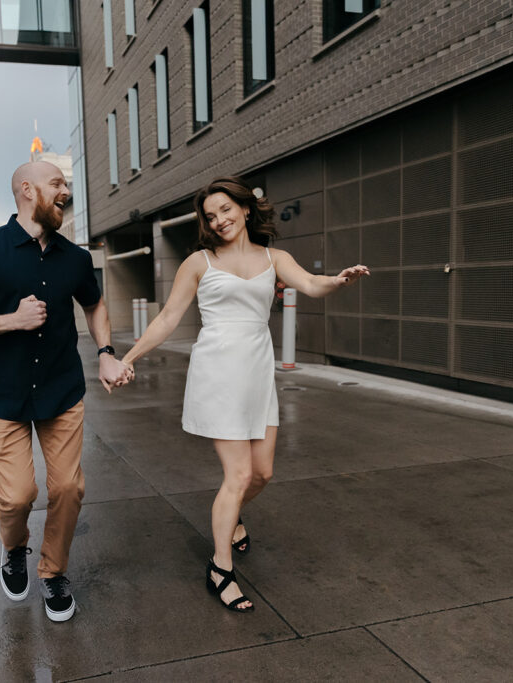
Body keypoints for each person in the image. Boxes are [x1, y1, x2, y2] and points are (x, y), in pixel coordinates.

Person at [120, 176, 369, 613]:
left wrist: (340, 281)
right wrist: (130, 357)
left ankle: (230, 518)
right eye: (210, 216)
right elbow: (167, 318)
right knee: (236, 477)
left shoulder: (276, 258)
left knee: (262, 474)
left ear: (246, 209)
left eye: (225, 210)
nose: (219, 220)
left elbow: (312, 285)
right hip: (217, 373)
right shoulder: (199, 262)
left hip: (256, 372)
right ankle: (220, 568)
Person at [0, 160, 132, 622]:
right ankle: (13, 548)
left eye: (66, 184)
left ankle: (53, 571)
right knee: (17, 496)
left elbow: (95, 303)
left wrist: (105, 350)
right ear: (27, 190)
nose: (67, 191)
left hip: (62, 390)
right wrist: (12, 320)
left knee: (68, 487)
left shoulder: (76, 258)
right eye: (57, 183)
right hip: (3, 396)